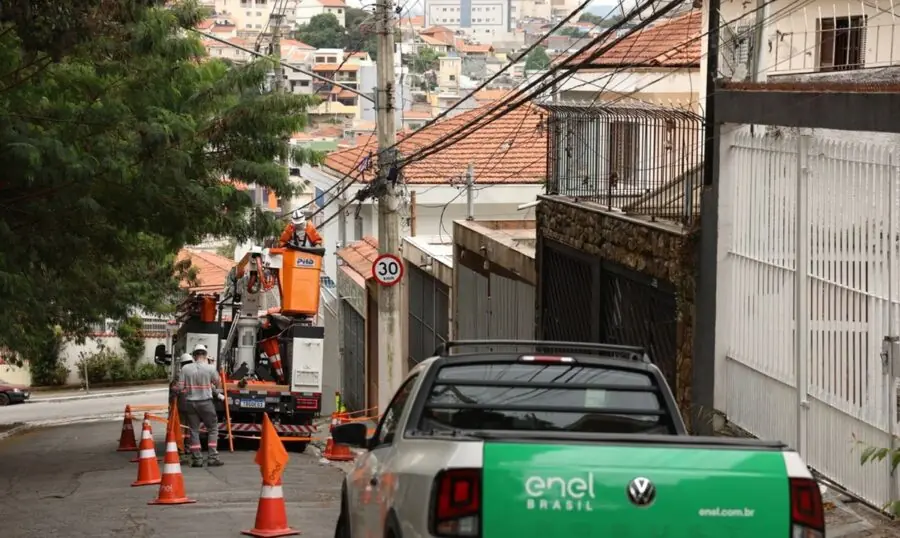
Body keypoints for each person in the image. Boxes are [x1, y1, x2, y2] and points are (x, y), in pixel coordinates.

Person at [175, 344, 225, 467]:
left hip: (191, 403)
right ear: (205, 355)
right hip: (206, 402)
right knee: (213, 429)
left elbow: (180, 387)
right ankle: (212, 457)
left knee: (194, 430)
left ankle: (197, 458)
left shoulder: (185, 369)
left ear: (194, 355)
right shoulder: (210, 368)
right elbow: (218, 383)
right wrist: (216, 393)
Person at [170, 353, 193, 462]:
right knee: (191, 427)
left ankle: (181, 448)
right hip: (193, 404)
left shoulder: (179, 375)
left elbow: (174, 390)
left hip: (182, 404)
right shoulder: (194, 373)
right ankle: (189, 447)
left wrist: (172, 402)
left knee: (182, 426)